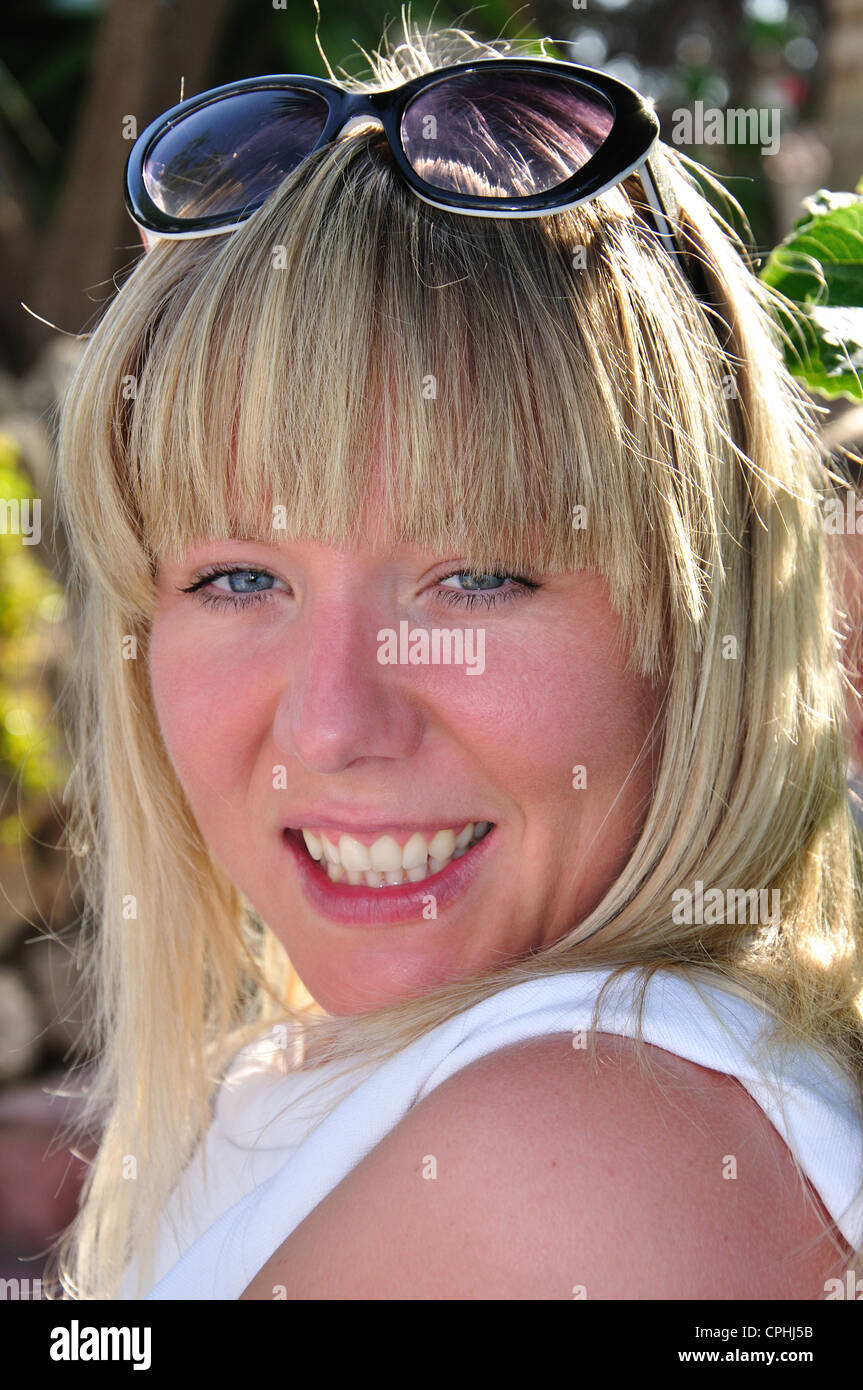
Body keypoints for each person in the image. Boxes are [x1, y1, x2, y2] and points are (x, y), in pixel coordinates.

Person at [45, 19, 863, 1300]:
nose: (328, 724)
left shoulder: (571, 1163)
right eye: (237, 579)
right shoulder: (399, 1072)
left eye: (476, 576)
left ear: (711, 621)